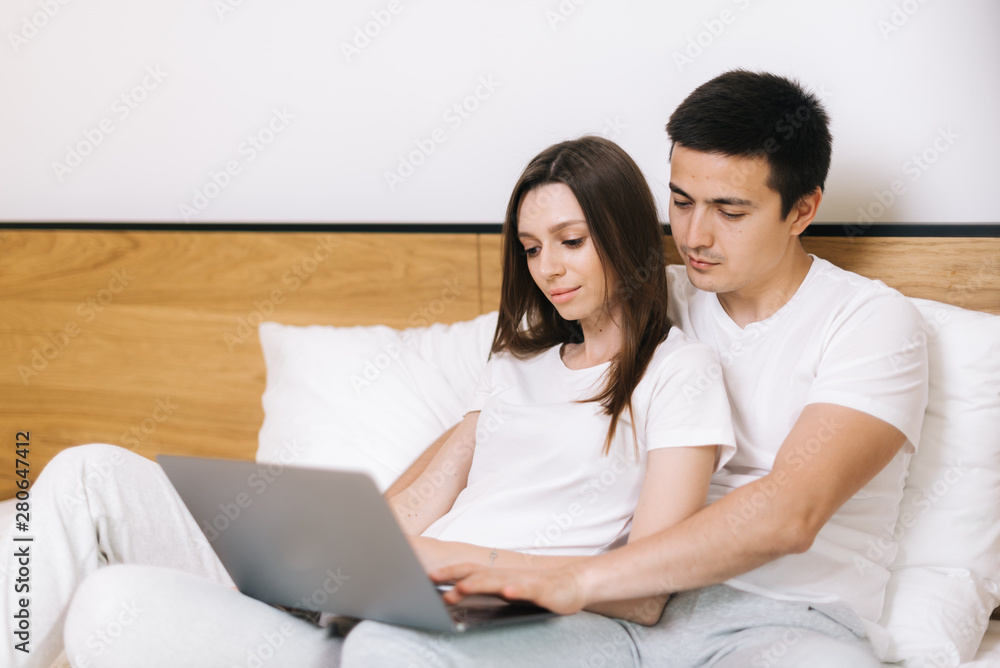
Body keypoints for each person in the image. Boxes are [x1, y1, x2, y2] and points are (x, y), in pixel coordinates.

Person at [3, 136, 737, 668]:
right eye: (532, 247)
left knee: (110, 605)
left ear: (624, 234)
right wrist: (325, 552)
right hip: (374, 595)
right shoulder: (516, 369)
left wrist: (452, 561)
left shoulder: (679, 373)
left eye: (569, 241)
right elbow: (402, 517)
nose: (548, 268)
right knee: (87, 474)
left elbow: (648, 589)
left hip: (488, 622)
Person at [419, 70, 930, 667]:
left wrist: (576, 580)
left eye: (729, 212)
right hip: (617, 614)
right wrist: (373, 540)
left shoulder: (869, 322)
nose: (693, 235)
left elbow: (791, 512)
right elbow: (501, 408)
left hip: (781, 616)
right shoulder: (648, 293)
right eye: (681, 202)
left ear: (802, 210)